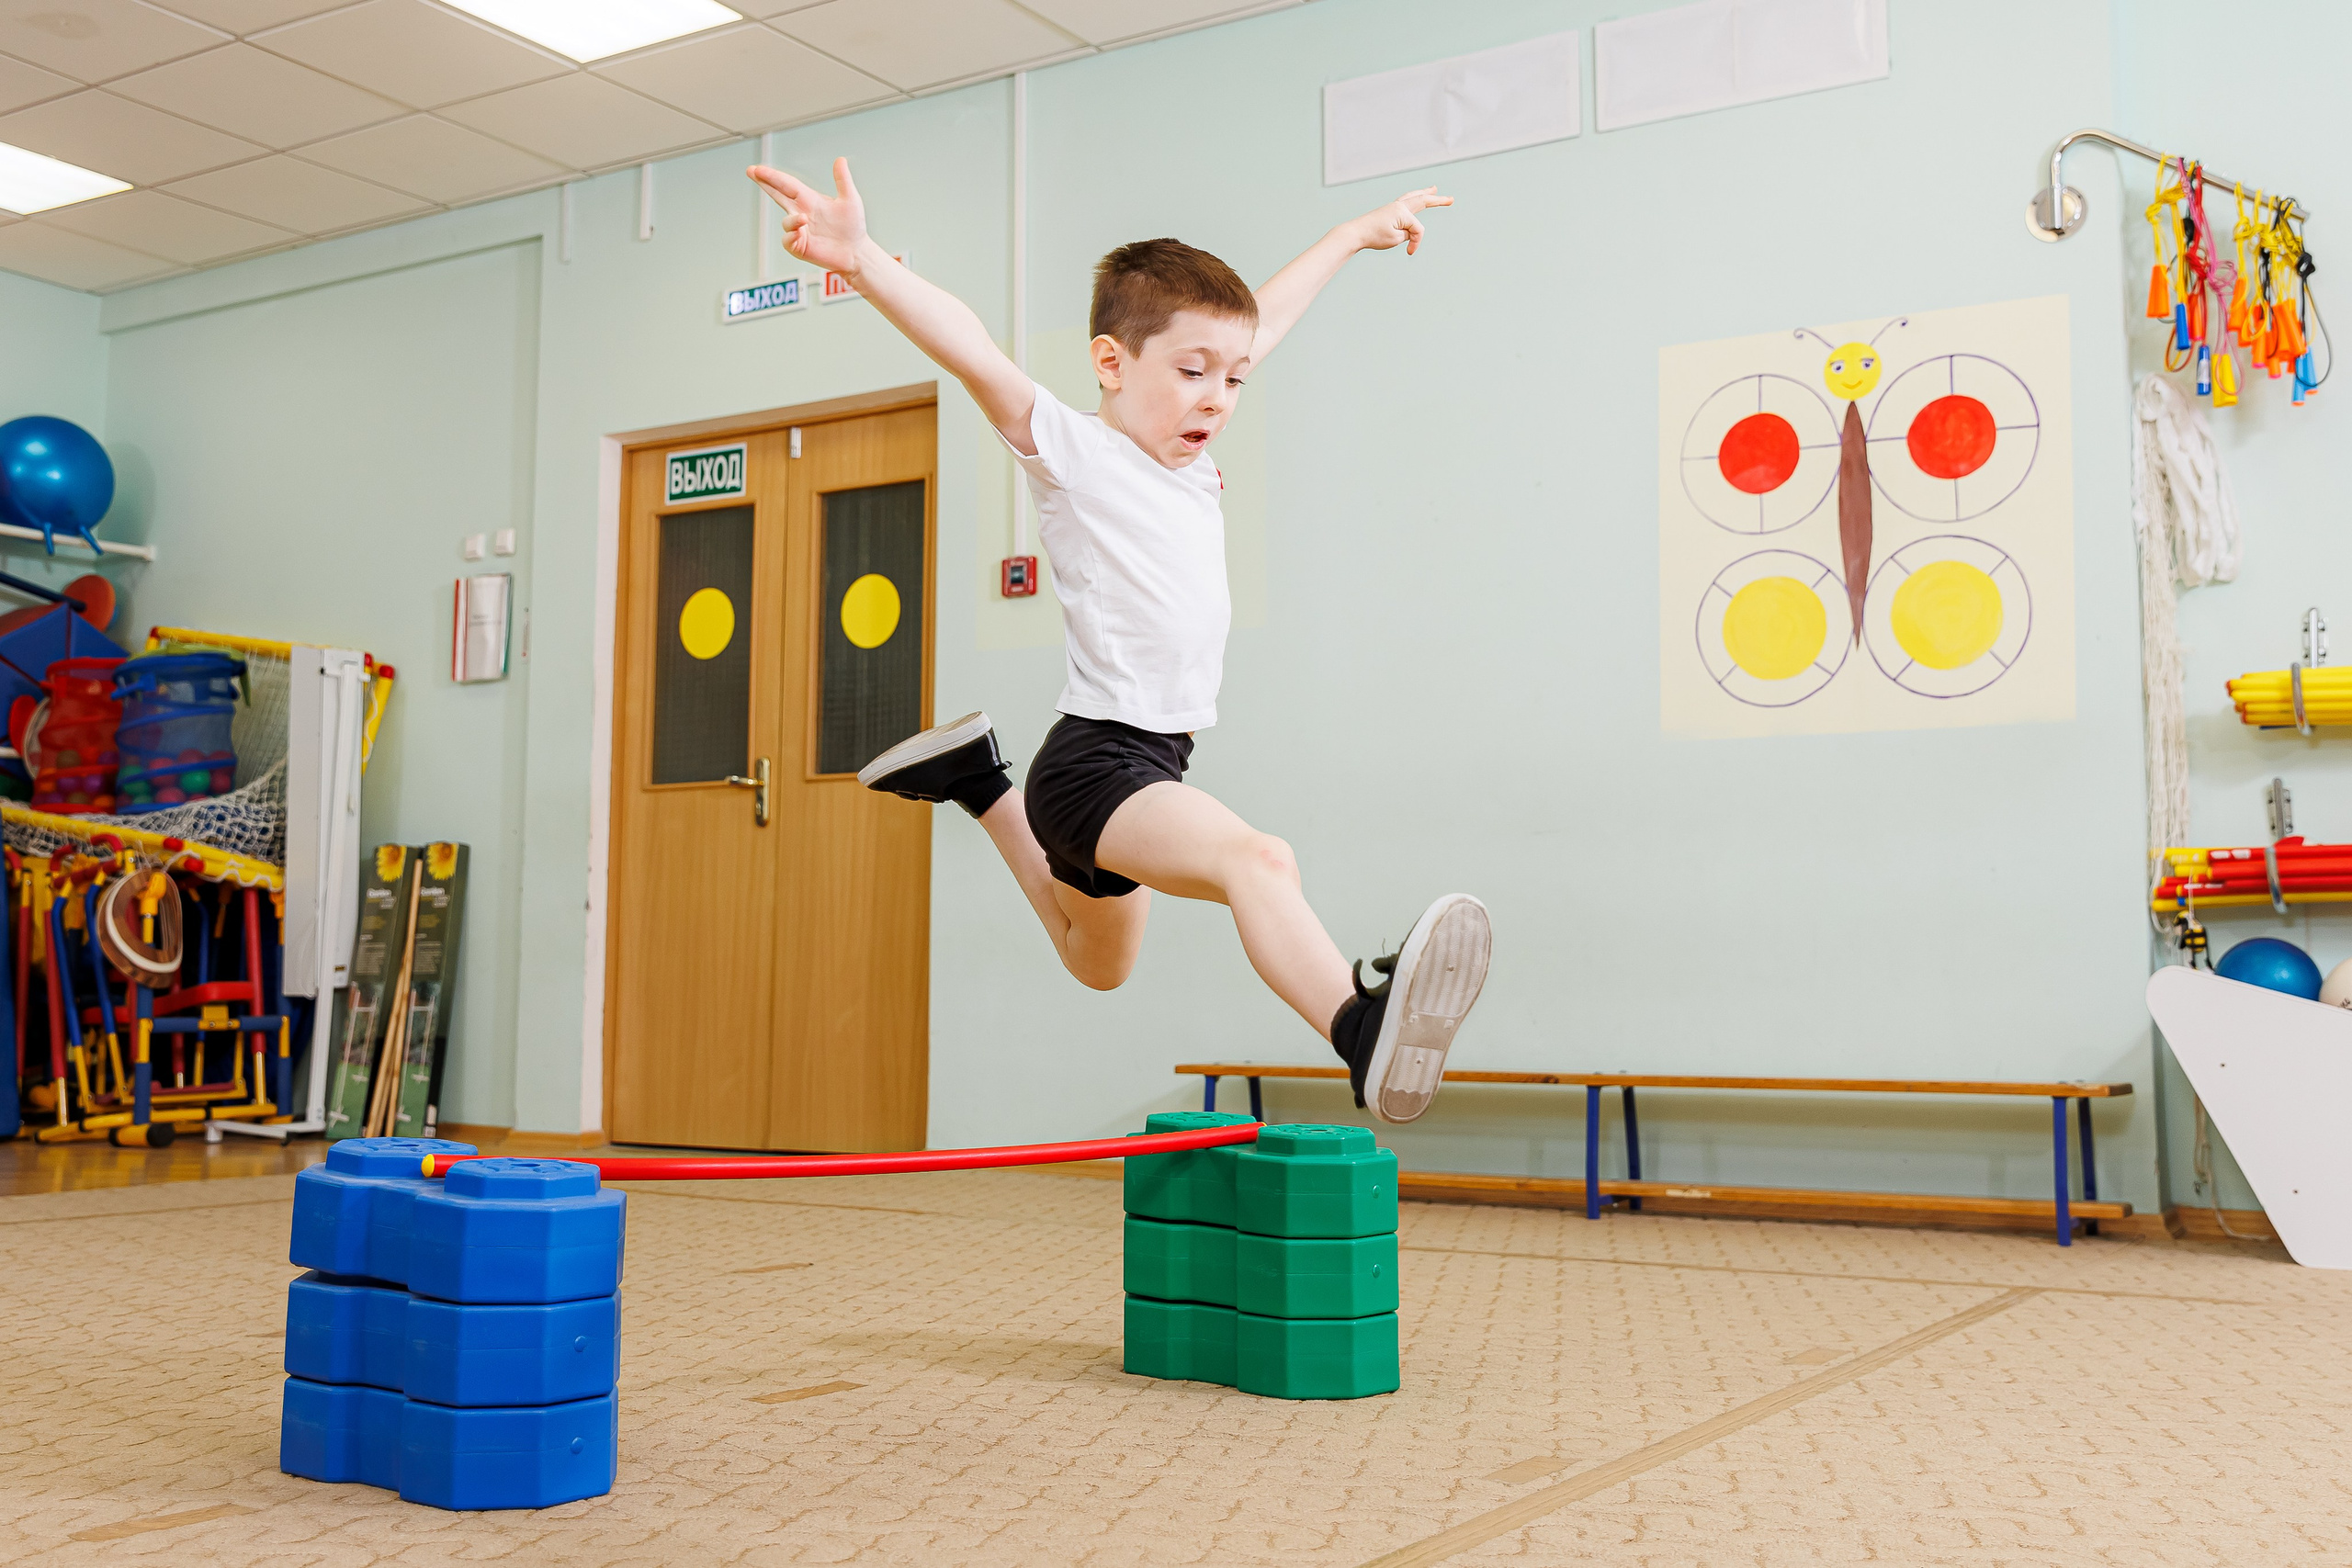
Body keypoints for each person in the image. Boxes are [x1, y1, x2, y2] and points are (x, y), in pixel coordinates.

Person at [749, 156, 1490, 1125]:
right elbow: (971, 349)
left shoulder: (1192, 466)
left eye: (1231, 379)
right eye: (1191, 373)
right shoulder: (1075, 451)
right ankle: (1358, 1028)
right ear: (1111, 364)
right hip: (1100, 767)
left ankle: (979, 785)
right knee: (1258, 862)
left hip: (1148, 765)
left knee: (1094, 965)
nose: (1218, 396)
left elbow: (1259, 321)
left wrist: (1353, 235)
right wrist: (863, 261)